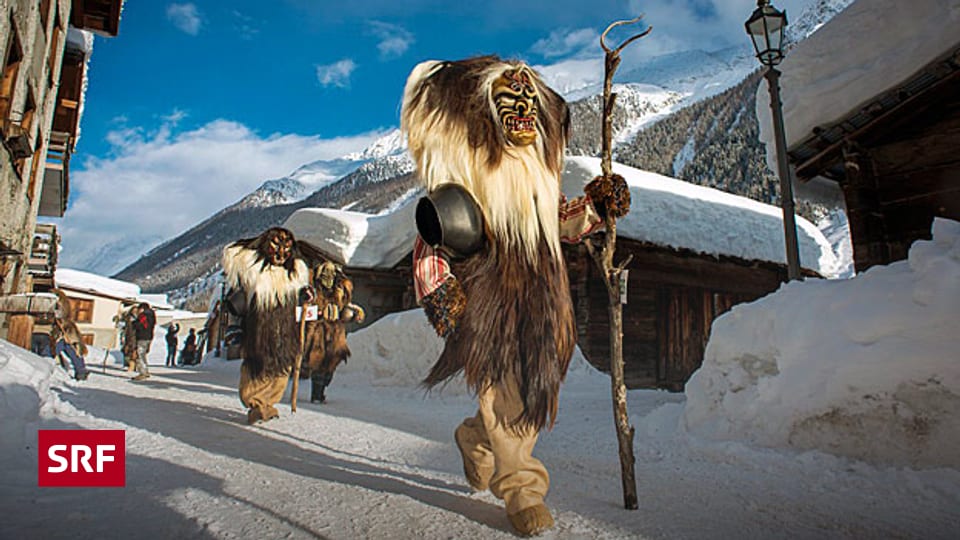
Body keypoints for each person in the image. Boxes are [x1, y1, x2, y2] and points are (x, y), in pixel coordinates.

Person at [400, 56, 625, 535]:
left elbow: (561, 223)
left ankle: (476, 439)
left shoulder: (535, 175)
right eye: (509, 99)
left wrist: (598, 207)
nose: (523, 107)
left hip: (544, 298)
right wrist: (441, 292)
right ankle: (523, 489)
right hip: (488, 296)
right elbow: (433, 236)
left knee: (532, 388)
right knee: (503, 390)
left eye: (529, 99)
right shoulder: (467, 174)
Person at [222, 227, 326, 425]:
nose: (280, 253)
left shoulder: (295, 274)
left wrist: (306, 297)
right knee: (258, 366)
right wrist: (234, 327)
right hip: (259, 330)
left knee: (282, 368)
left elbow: (301, 298)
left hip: (286, 332)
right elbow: (236, 302)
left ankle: (269, 404)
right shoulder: (252, 272)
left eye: (285, 247)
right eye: (275, 246)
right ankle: (256, 404)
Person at [304, 261, 365, 404]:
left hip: (336, 331)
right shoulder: (312, 292)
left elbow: (344, 310)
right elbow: (302, 311)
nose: (328, 277)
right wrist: (316, 314)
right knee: (318, 362)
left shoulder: (340, 292)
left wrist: (353, 316)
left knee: (332, 362)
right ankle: (317, 395)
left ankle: (323, 388)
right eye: (325, 274)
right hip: (318, 330)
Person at [131, 302, 156, 381]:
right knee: (143, 354)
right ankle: (145, 371)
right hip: (149, 337)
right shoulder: (152, 315)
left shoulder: (144, 316)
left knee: (140, 355)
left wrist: (134, 323)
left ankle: (143, 373)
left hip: (142, 337)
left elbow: (140, 325)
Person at [121, 306, 140, 372]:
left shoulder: (139, 318)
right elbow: (123, 325)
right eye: (133, 310)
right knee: (126, 351)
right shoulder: (127, 318)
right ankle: (127, 364)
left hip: (135, 337)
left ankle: (133, 366)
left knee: (134, 352)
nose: (134, 312)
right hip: (128, 336)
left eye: (136, 310)